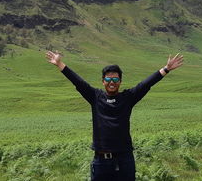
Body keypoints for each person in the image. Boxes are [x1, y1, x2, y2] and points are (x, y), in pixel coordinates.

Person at [45, 51, 184, 181]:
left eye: (116, 80)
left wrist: (166, 69)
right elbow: (78, 82)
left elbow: (146, 84)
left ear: (120, 82)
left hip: (125, 159)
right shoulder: (95, 97)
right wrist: (59, 64)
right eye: (108, 79)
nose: (112, 82)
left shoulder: (128, 97)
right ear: (103, 81)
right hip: (101, 160)